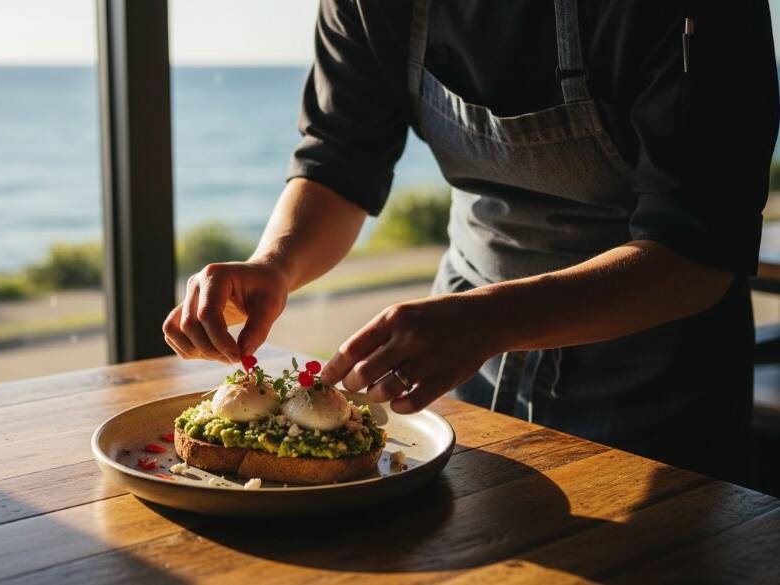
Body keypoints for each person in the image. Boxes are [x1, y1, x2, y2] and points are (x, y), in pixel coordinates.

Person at [163, 0, 779, 484]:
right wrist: (275, 261)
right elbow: (339, 161)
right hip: (460, 373)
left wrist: (492, 319)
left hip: (658, 382)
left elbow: (697, 251)